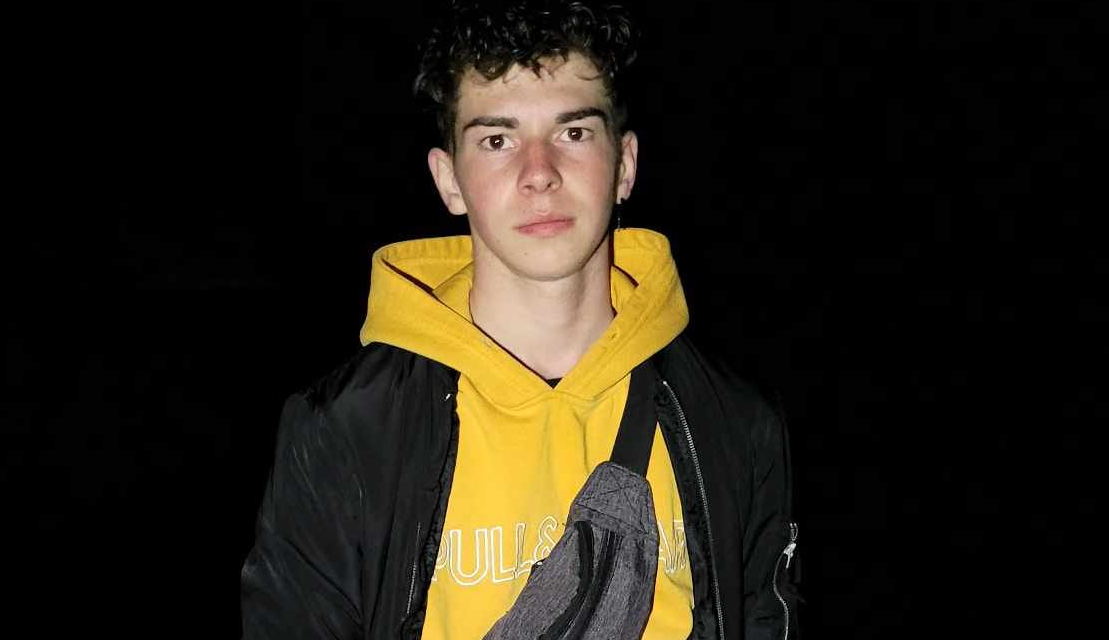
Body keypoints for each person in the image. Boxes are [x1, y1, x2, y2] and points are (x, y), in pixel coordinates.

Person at [240, 1, 801, 638]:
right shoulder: (345, 431)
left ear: (625, 166)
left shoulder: (733, 422)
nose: (539, 174)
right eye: (497, 141)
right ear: (449, 181)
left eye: (574, 133)